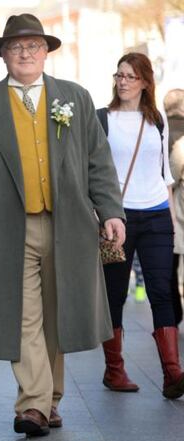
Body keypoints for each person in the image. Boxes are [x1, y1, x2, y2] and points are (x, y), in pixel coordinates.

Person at [0, 14, 125, 437]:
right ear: (3, 55)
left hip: (69, 226)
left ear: (45, 53)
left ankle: (49, 400)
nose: (25, 53)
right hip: (9, 228)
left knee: (57, 316)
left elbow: (98, 160)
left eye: (33, 46)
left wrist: (111, 210)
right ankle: (33, 405)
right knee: (22, 315)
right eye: (16, 47)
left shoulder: (74, 98)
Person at [97, 53, 184, 399]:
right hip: (117, 217)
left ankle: (172, 374)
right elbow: (94, 171)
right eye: (119, 75)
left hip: (157, 215)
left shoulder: (157, 120)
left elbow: (164, 174)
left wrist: (171, 221)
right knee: (115, 294)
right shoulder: (102, 119)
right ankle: (114, 370)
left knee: (162, 291)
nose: (122, 82)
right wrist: (101, 214)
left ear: (145, 82)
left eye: (130, 76)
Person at [165, 89, 184, 324]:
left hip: (174, 207)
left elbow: (170, 175)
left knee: (170, 263)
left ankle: (174, 314)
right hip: (177, 204)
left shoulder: (161, 128)